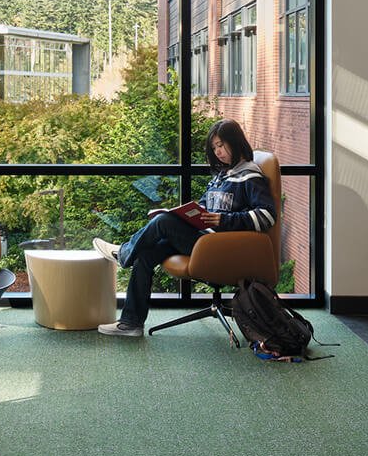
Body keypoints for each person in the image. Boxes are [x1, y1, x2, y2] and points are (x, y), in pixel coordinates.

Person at [93, 119, 277, 337]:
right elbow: (205, 206)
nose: (217, 152)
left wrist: (222, 220)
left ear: (235, 143)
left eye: (221, 145)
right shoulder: (222, 176)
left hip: (222, 248)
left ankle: (123, 254)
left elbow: (266, 216)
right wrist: (186, 214)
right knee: (146, 253)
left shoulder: (250, 176)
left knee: (163, 223)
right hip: (204, 240)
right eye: (214, 147)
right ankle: (131, 323)